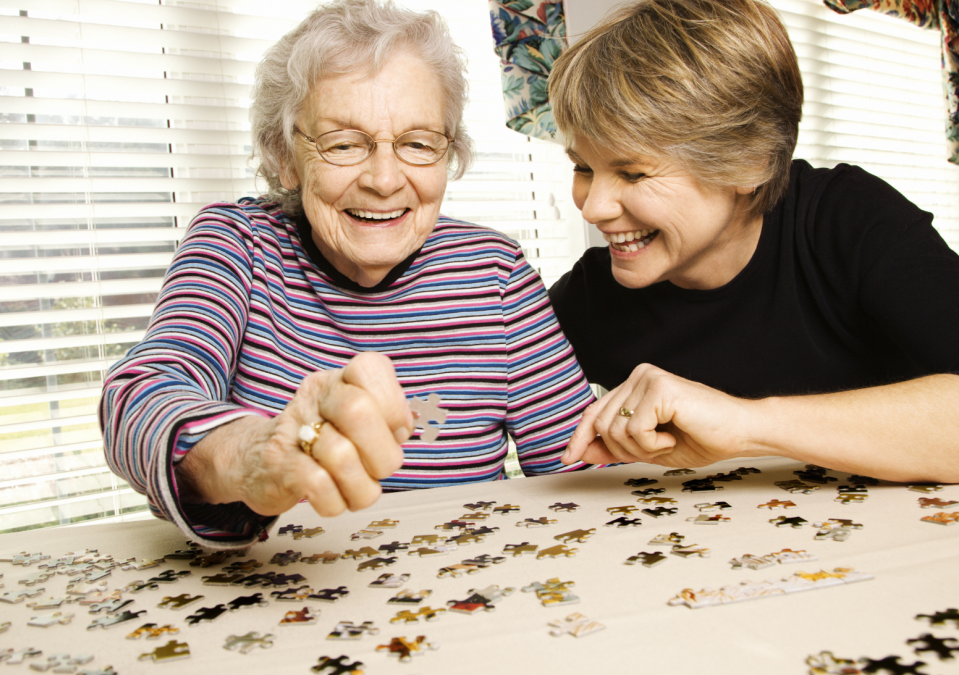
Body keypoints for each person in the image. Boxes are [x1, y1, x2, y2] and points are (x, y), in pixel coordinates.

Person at [98, 0, 596, 547]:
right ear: (285, 157)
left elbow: (581, 470)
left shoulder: (495, 272)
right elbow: (139, 396)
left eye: (416, 143)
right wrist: (252, 453)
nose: (384, 180)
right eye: (343, 144)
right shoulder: (236, 242)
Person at [547, 0, 959, 483]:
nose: (593, 207)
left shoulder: (849, 221)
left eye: (633, 172)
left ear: (749, 162)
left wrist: (744, 425)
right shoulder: (591, 295)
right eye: (583, 167)